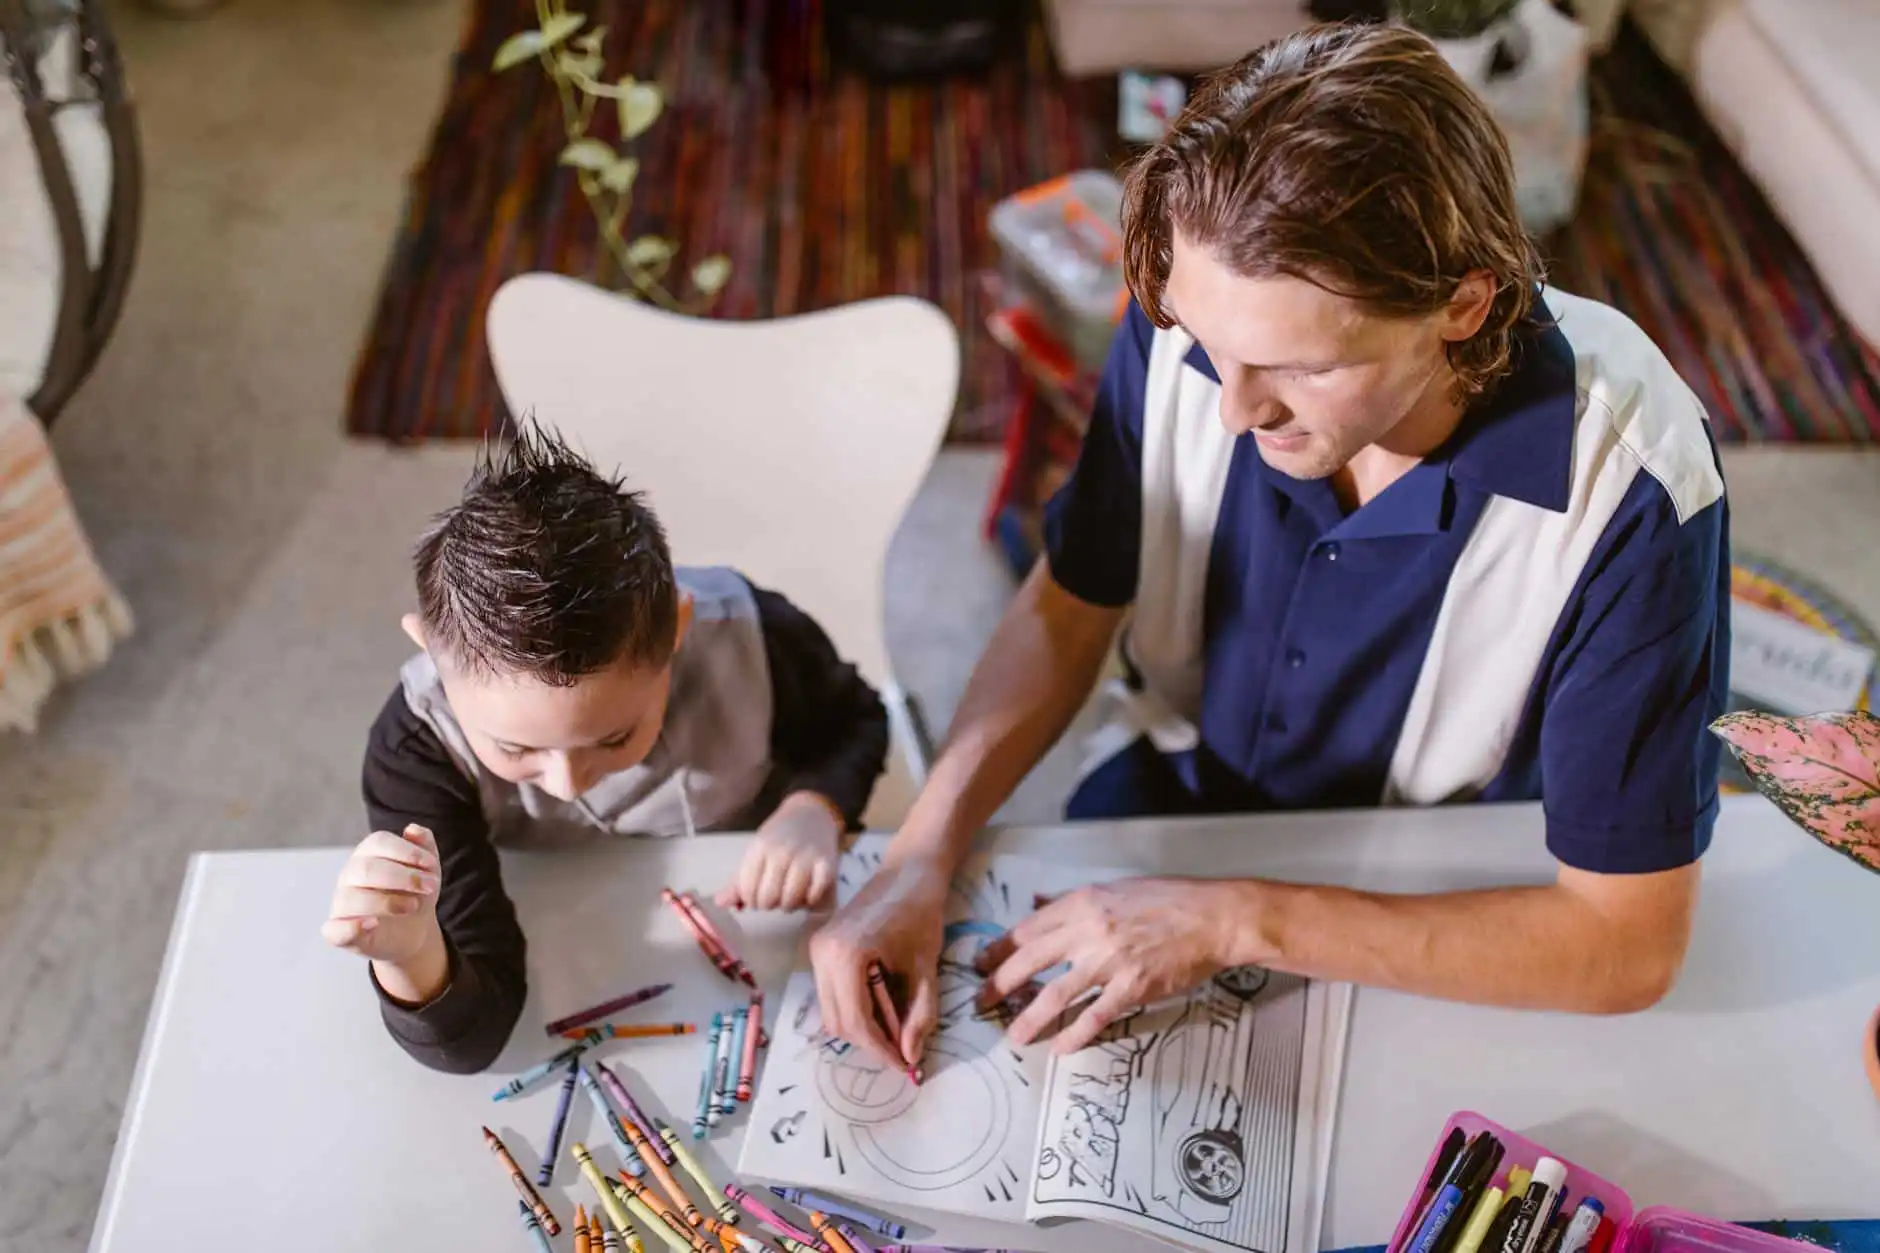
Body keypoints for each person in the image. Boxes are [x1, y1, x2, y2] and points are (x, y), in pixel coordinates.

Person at [811, 21, 1730, 1071]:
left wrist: (1232, 919)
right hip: (1166, 793)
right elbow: (1071, 602)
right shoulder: (1196, 317)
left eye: (1295, 367)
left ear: (1460, 304)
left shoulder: (1634, 486)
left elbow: (1624, 945)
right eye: (1210, 350)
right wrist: (920, 852)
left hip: (1454, 892)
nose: (1231, 409)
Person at [320, 428, 888, 1072]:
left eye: (614, 736)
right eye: (515, 746)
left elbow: (858, 719)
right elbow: (476, 1037)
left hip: (755, 928)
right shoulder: (414, 753)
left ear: (677, 627)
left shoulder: (760, 639)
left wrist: (816, 806)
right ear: (432, 653)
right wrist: (410, 953)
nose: (566, 784)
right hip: (567, 930)